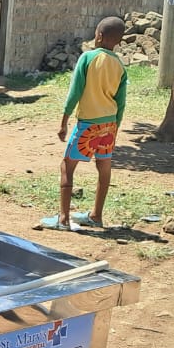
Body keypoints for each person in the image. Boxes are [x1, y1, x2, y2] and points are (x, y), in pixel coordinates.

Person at [50, 16, 128, 230]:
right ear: (119, 41)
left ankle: (63, 219)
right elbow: (121, 103)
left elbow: (75, 92)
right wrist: (115, 128)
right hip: (109, 126)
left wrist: (64, 121)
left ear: (99, 36)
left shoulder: (88, 58)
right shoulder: (120, 66)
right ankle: (96, 216)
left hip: (88, 125)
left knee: (67, 166)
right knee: (104, 168)